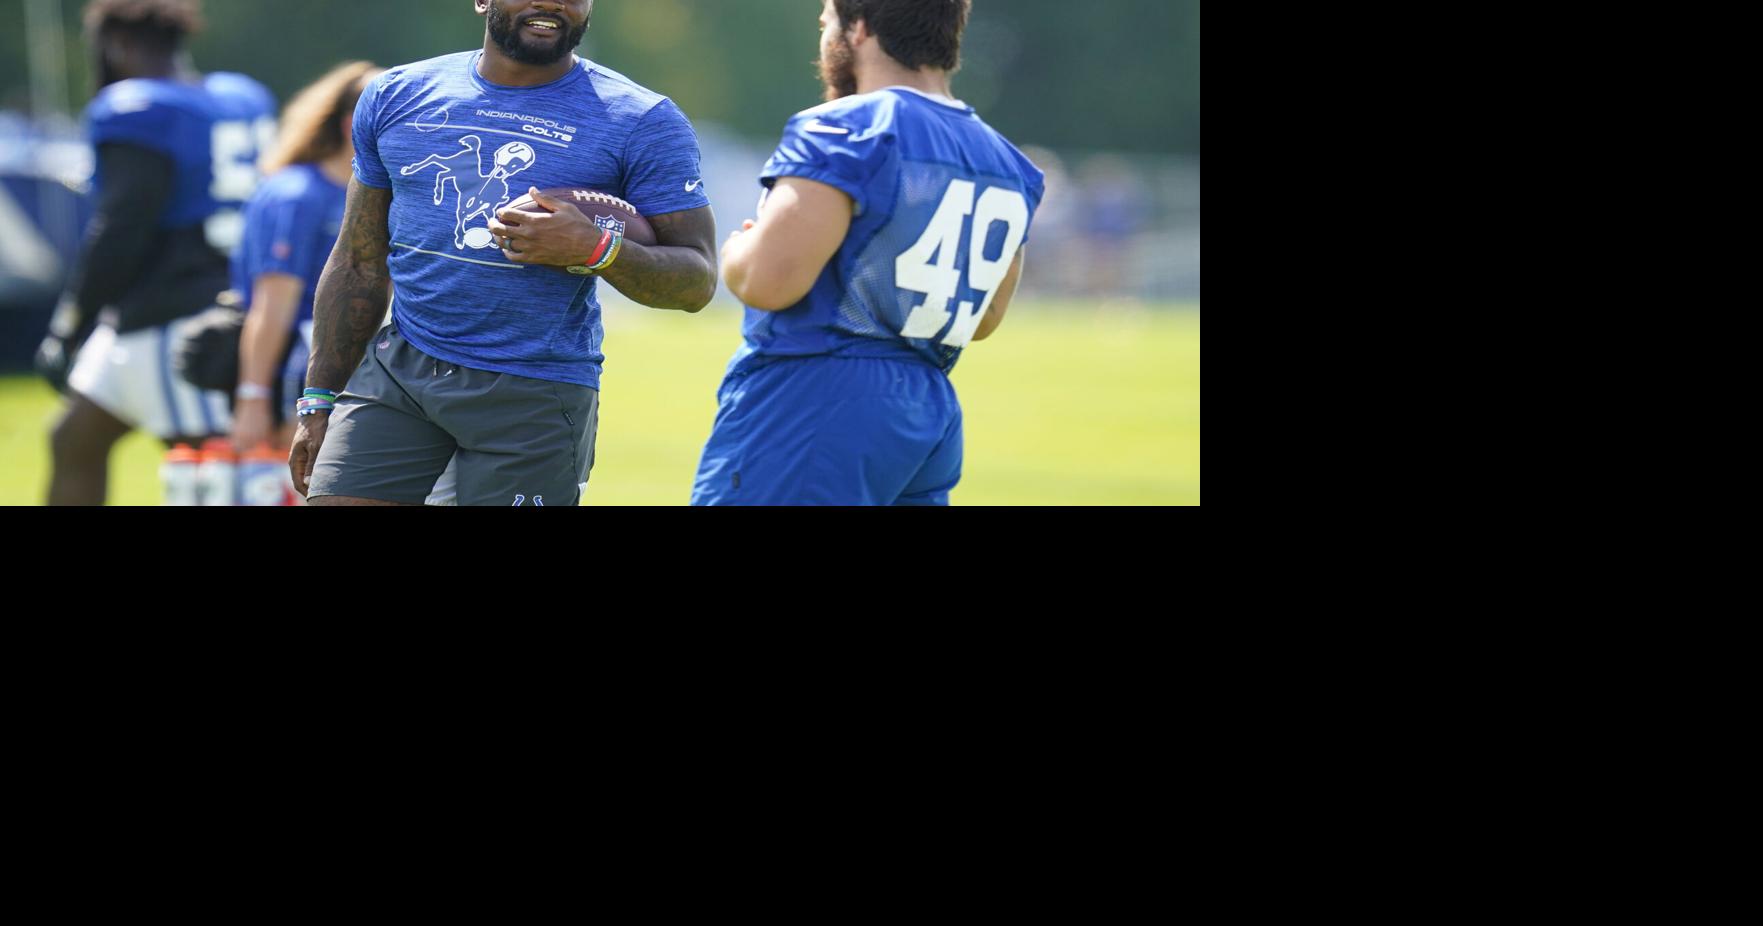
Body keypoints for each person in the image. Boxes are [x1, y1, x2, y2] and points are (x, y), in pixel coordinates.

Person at [293, 0, 718, 507]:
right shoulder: (397, 95)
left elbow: (697, 281)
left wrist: (597, 247)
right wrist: (318, 399)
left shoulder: (641, 119)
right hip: (401, 371)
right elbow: (357, 260)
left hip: (535, 391)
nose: (552, 4)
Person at [692, 0, 1043, 506]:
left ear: (857, 29)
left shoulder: (849, 127)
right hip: (928, 406)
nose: (824, 33)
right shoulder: (1007, 160)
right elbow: (984, 316)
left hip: (815, 393)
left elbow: (766, 282)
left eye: (827, 21)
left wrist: (740, 246)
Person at [37, 0, 276, 506]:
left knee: (214, 470)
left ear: (116, 46)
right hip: (210, 297)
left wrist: (70, 322)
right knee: (74, 437)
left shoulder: (138, 106)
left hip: (176, 316)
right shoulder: (241, 94)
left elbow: (121, 227)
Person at [230, 62, 383, 455]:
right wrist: (253, 398)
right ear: (355, 123)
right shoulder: (295, 196)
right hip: (301, 372)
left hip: (359, 369)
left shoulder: (376, 194)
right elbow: (271, 306)